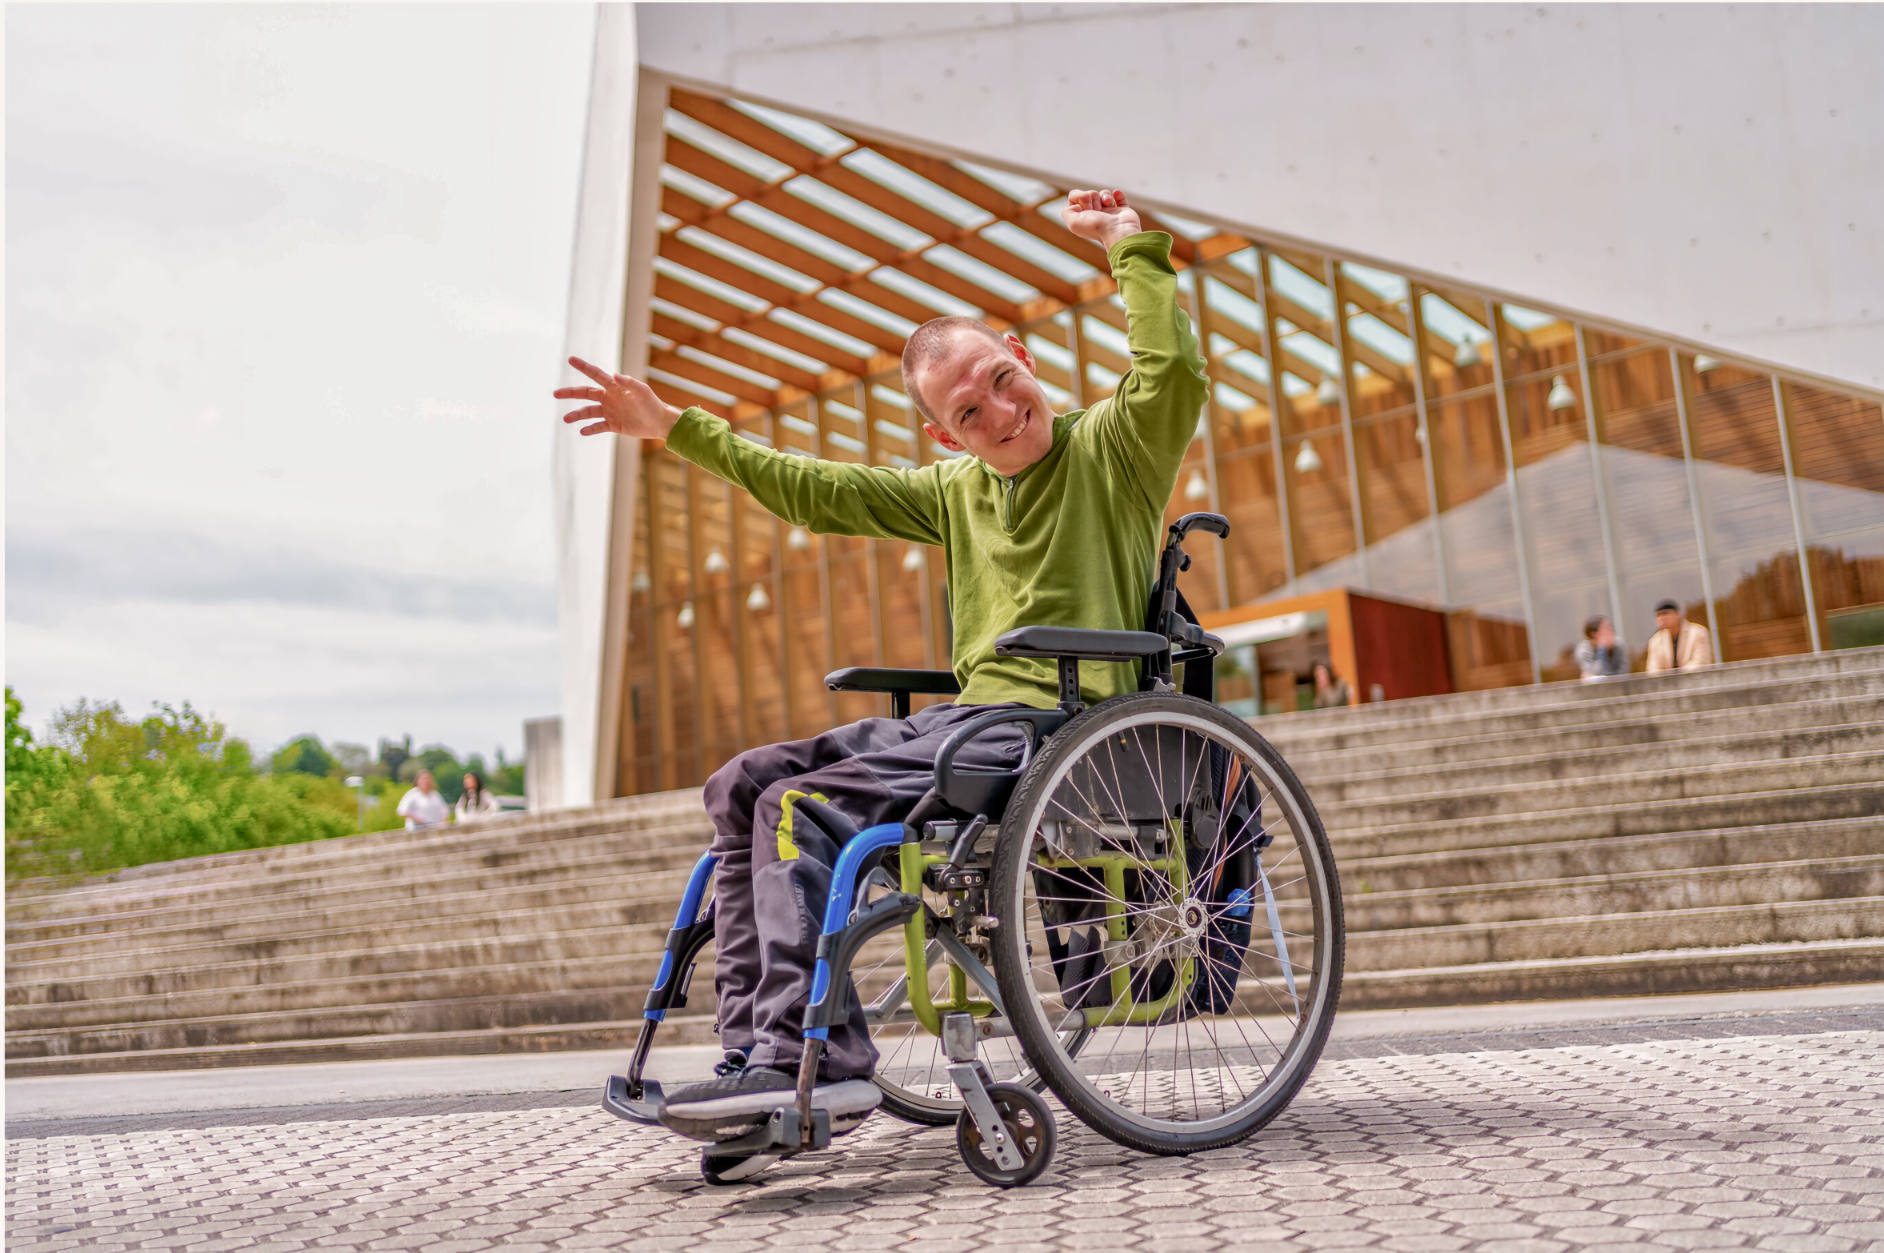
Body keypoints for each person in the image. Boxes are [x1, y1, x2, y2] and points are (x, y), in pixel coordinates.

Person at [555, 189, 1207, 1130]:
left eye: (998, 378)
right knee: (743, 784)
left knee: (798, 807)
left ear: (1022, 356)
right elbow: (817, 491)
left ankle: (809, 1055)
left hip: (1060, 721)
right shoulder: (954, 491)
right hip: (969, 720)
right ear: (946, 436)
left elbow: (1171, 368)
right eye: (968, 411)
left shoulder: (1113, 451)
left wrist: (1130, 250)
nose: (1000, 410)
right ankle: (757, 1051)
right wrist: (676, 429)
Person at [1645, 599, 1714, 673]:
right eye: (1658, 615)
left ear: (1678, 614)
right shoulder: (1655, 641)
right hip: (1667, 683)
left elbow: (1701, 663)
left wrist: (1676, 676)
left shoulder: (1698, 633)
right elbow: (1653, 670)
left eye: (1665, 613)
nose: (1661, 618)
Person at [1574, 615, 1628, 680]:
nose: (1611, 629)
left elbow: (1624, 672)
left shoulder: (1618, 643)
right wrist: (1602, 649)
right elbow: (1595, 674)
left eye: (1610, 626)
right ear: (1594, 635)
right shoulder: (1584, 650)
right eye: (1606, 628)